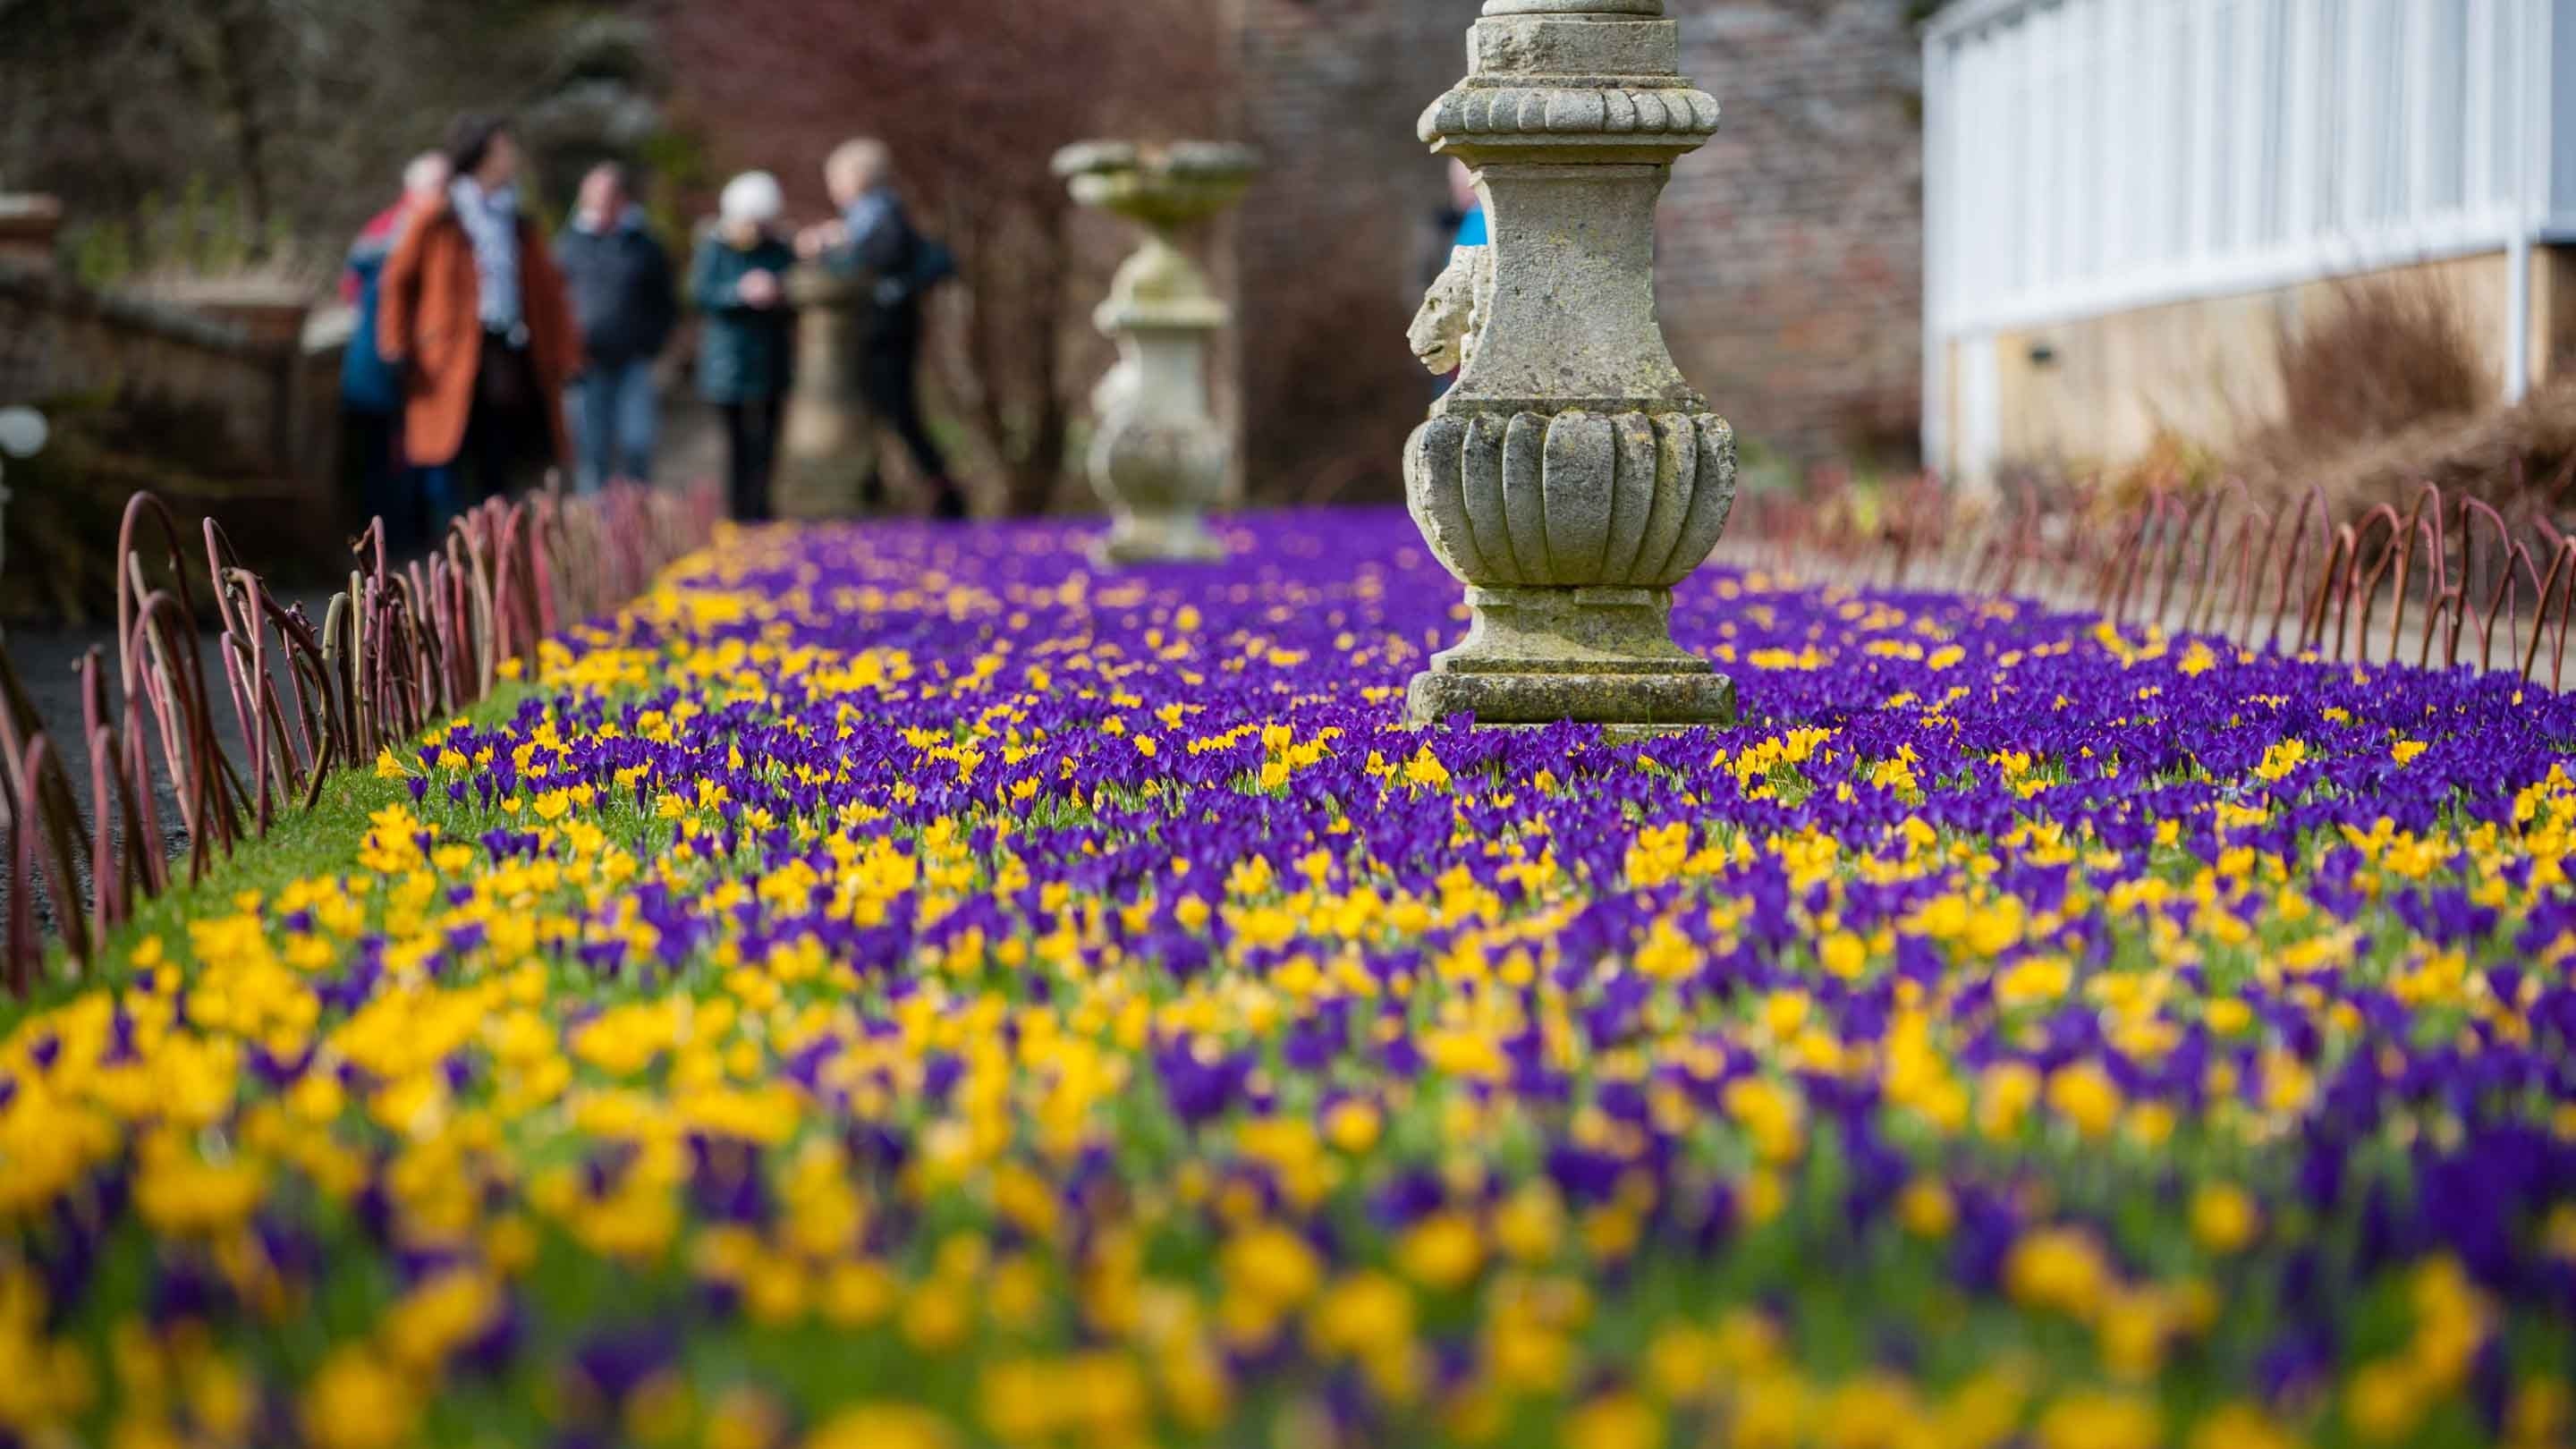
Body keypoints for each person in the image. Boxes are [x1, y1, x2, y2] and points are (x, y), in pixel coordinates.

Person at [378, 114, 579, 504]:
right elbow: (397, 281)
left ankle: (492, 546)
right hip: (447, 356)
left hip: (507, 350)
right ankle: (452, 550)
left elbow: (550, 295)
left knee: (503, 456)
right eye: (504, 150)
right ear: (482, 155)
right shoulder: (439, 215)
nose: (512, 158)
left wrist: (566, 354)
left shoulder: (517, 219)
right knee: (449, 456)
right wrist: (396, 346)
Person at [798, 138, 965, 520]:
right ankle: (885, 488)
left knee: (896, 410)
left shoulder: (881, 215)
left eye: (836, 178)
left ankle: (940, 493)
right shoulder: (868, 216)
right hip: (880, 328)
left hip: (887, 329)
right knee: (883, 408)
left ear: (857, 178)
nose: (832, 187)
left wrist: (830, 247)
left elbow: (875, 263)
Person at [341, 151, 450, 553]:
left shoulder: (381, 230)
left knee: (388, 463)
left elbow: (347, 288)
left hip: (378, 366)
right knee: (392, 462)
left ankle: (389, 546)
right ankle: (394, 547)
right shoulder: (408, 233)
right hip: (387, 367)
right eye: (440, 186)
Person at [555, 162, 677, 493]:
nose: (600, 203)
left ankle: (637, 527)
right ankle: (593, 534)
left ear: (621, 198)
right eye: (594, 196)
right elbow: (553, 304)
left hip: (633, 361)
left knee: (637, 445)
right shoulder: (567, 245)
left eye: (607, 195)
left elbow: (666, 301)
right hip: (585, 364)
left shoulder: (645, 245)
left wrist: (652, 344)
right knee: (591, 453)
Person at [691, 172, 797, 523]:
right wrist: (739, 292)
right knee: (736, 444)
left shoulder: (779, 249)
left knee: (767, 441)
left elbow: (797, 294)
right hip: (728, 362)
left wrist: (779, 292)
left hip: (771, 359)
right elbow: (701, 293)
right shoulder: (714, 247)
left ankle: (762, 508)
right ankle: (738, 513)